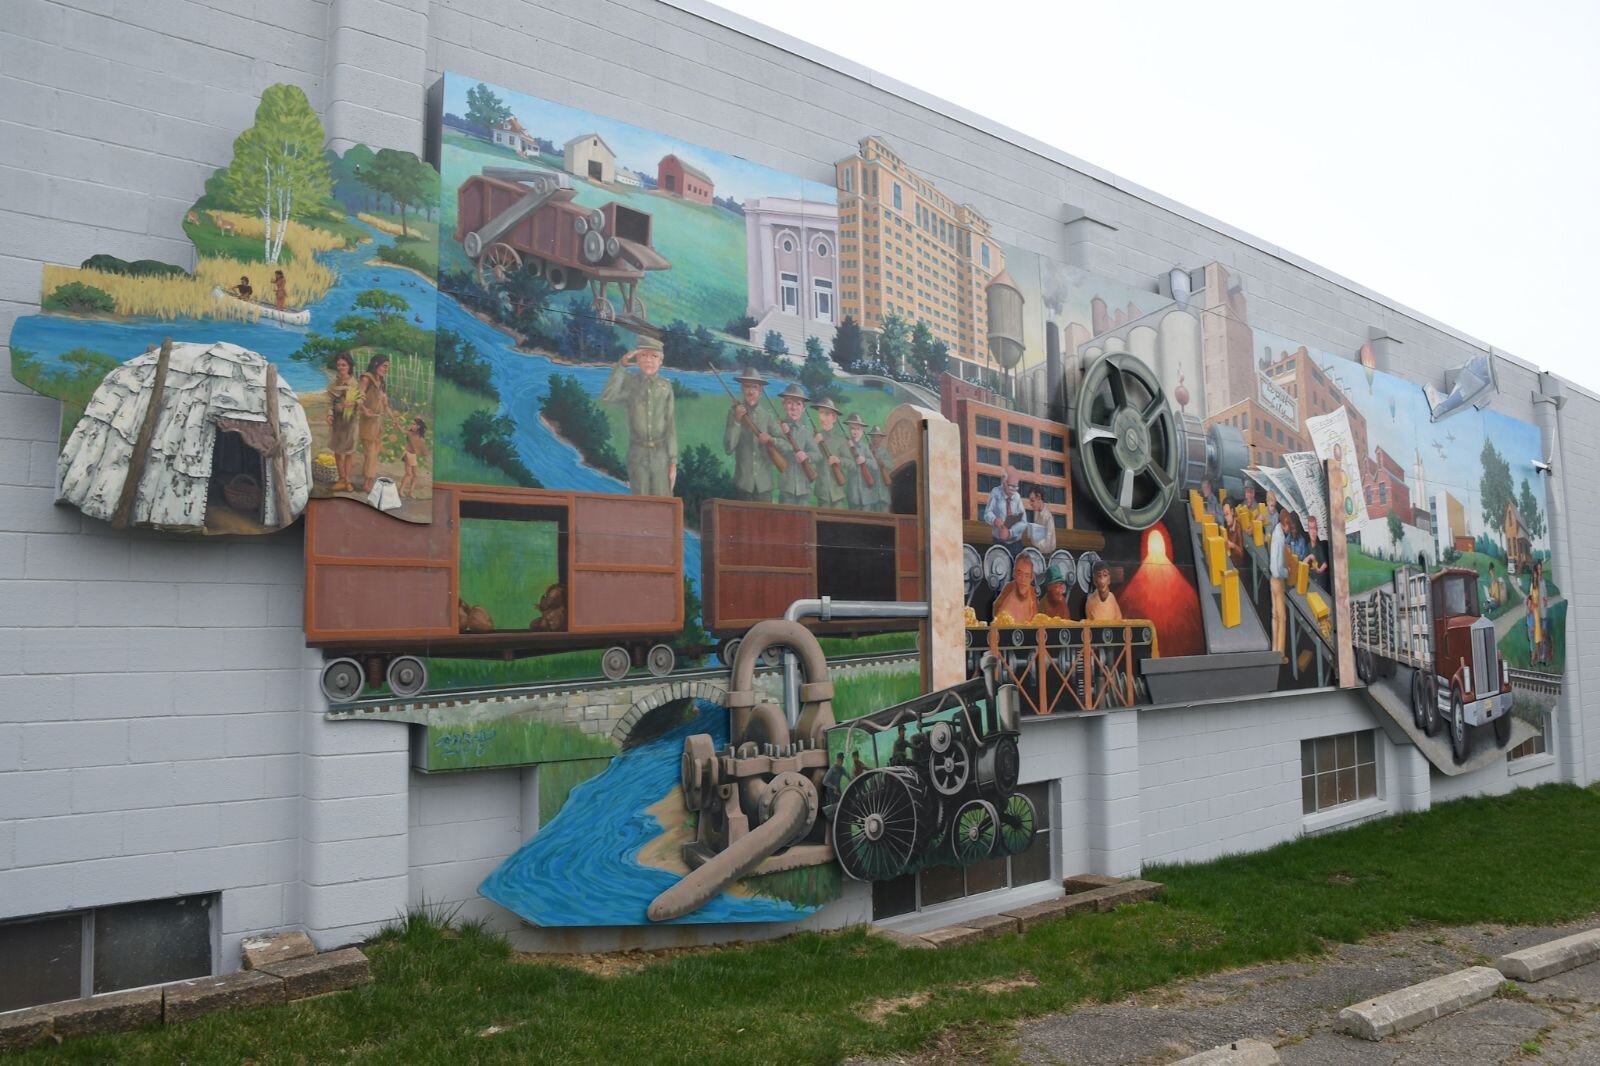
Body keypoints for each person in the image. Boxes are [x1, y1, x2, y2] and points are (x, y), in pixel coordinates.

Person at [600, 336, 677, 497]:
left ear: (661, 361)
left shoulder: (665, 386)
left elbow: (670, 424)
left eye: (654, 356)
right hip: (637, 453)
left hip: (660, 454)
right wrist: (621, 366)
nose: (648, 360)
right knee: (641, 501)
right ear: (636, 359)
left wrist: (673, 461)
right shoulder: (630, 382)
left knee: (663, 500)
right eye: (643, 355)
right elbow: (608, 396)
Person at [724, 370, 780, 502]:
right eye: (747, 386)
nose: (750, 391)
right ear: (742, 389)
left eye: (754, 387)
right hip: (743, 485)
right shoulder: (733, 413)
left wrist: (771, 440)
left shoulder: (767, 415)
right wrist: (737, 421)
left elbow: (786, 444)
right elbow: (728, 448)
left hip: (764, 486)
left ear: (760, 390)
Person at [356, 353, 395, 493]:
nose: (386, 369)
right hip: (368, 421)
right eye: (385, 366)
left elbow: (385, 405)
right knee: (371, 452)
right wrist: (364, 409)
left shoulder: (382, 382)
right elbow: (358, 397)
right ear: (376, 364)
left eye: (387, 367)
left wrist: (394, 419)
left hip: (378, 422)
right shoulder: (366, 378)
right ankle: (368, 482)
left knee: (373, 452)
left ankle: (367, 478)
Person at [773, 383, 814, 506]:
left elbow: (817, 454)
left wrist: (806, 456)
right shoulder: (776, 428)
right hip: (786, 488)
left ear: (803, 408)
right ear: (783, 405)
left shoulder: (806, 432)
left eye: (798, 404)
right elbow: (773, 450)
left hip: (804, 488)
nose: (794, 408)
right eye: (790, 402)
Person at [325, 351, 360, 492]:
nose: (341, 367)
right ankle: (341, 479)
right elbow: (329, 401)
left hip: (350, 421)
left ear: (349, 366)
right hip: (338, 421)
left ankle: (348, 480)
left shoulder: (354, 382)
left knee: (349, 451)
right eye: (339, 365)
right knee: (338, 451)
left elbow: (361, 398)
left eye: (344, 365)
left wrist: (353, 403)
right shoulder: (333, 383)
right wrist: (329, 414)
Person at [809, 397, 849, 509]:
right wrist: (815, 443)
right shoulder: (814, 438)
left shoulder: (840, 440)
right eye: (821, 413)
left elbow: (851, 463)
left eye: (827, 414)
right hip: (822, 492)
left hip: (838, 492)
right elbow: (809, 460)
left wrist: (839, 460)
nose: (823, 418)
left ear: (834, 418)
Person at [990, 551, 1039, 624]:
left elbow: (1035, 621)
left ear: (1031, 577)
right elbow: (996, 610)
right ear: (1014, 574)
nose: (1023, 579)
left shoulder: (1032, 593)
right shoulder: (1009, 588)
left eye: (1027, 575)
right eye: (1019, 574)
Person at [1269, 506, 1291, 660]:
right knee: (1282, 618)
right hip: (1278, 581)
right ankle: (1281, 654)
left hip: (1272, 581)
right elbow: (1277, 569)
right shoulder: (1280, 537)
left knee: (1274, 616)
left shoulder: (1275, 532)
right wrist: (1287, 571)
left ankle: (1274, 650)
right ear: (1286, 523)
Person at [983, 466, 1028, 542]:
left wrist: (1010, 533)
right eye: (1011, 486)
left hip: (1015, 542)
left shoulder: (1017, 497)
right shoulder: (995, 493)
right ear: (1004, 481)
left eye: (1016, 487)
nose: (1014, 490)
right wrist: (994, 520)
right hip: (999, 540)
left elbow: (1024, 522)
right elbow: (987, 514)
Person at [843, 413, 875, 511]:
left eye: (858, 429)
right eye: (852, 428)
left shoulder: (865, 447)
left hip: (866, 495)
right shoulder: (845, 446)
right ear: (849, 429)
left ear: (862, 431)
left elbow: (875, 465)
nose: (855, 432)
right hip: (853, 494)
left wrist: (864, 460)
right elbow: (842, 462)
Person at [399, 418, 429, 499]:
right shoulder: (409, 433)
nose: (412, 425)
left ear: (418, 426)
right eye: (412, 424)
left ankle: (411, 492)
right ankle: (401, 490)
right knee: (408, 474)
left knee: (415, 475)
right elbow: (402, 431)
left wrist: (426, 454)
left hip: (413, 455)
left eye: (414, 424)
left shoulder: (421, 437)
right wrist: (397, 424)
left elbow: (422, 448)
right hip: (407, 454)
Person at [869, 426, 894, 512]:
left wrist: (882, 462)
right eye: (873, 437)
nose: (875, 439)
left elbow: (891, 465)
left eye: (878, 437)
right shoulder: (867, 451)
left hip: (883, 494)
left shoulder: (885, 452)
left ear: (881, 439)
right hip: (871, 494)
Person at [1527, 560, 1546, 666]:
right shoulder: (1532, 586)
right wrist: (1530, 606)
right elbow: (1530, 597)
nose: (1535, 577)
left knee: (1538, 635)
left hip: (1537, 612)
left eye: (1535, 576)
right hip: (1533, 611)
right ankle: (1534, 657)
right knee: (1532, 634)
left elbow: (1540, 597)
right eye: (1533, 576)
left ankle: (1539, 656)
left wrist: (1542, 601)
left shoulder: (1538, 585)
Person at [1305, 515, 1329, 589]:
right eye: (1311, 528)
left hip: (1320, 582)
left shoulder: (1320, 547)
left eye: (1315, 528)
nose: (1313, 531)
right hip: (1311, 581)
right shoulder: (1308, 546)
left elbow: (1325, 564)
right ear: (1308, 530)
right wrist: (1309, 557)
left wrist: (1319, 570)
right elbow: (1303, 563)